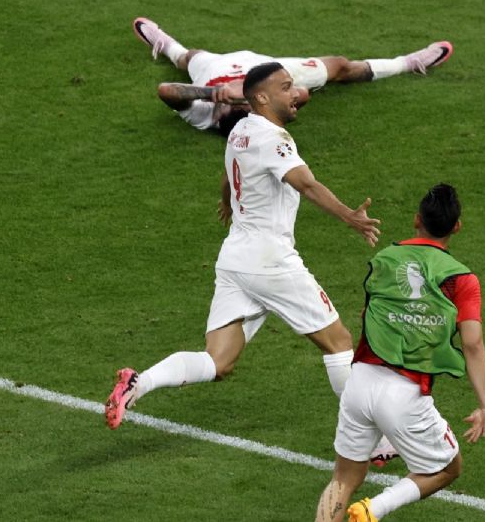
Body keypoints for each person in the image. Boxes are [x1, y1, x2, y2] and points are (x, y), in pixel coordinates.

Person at [105, 62, 381, 429]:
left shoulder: (241, 130)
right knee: (339, 342)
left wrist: (227, 199)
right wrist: (350, 217)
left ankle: (139, 384)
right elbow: (306, 184)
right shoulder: (273, 138)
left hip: (236, 259)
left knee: (219, 362)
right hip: (271, 261)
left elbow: (228, 169)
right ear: (262, 97)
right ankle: (371, 441)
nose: (296, 92)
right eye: (286, 87)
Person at [314, 183, 485, 522]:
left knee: (343, 478)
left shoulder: (384, 258)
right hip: (405, 393)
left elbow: (368, 316)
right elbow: (472, 342)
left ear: (416, 220)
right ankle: (374, 509)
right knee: (448, 467)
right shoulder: (462, 279)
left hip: (360, 382)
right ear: (457, 226)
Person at [132, 17, 454, 135]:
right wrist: (244, 91)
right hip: (272, 70)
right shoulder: (266, 106)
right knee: (340, 65)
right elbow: (301, 95)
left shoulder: (204, 115)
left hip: (213, 68)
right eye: (248, 106)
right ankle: (409, 63)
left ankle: (163, 42)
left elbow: (166, 91)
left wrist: (209, 93)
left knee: (190, 56)